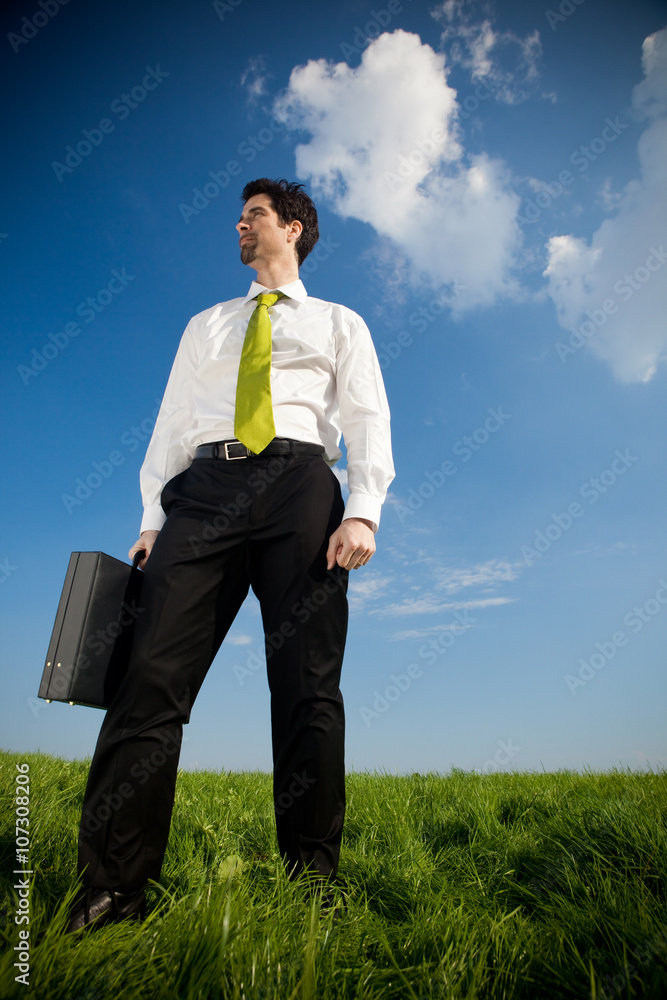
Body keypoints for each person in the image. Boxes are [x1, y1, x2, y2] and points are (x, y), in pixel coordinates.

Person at [66, 177, 394, 932]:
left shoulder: (341, 323)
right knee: (148, 679)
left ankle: (311, 885)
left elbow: (366, 416)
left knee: (307, 688)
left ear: (294, 228)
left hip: (302, 487)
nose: (239, 228)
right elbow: (172, 422)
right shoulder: (206, 325)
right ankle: (112, 890)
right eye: (240, 218)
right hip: (204, 488)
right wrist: (151, 519)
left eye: (253, 216)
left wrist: (364, 510)